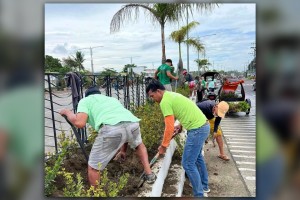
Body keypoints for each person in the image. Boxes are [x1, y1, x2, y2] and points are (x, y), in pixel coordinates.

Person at [59, 86, 156, 186]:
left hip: (111, 129)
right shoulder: (111, 99)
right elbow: (123, 125)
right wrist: (123, 150)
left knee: (93, 167)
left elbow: (79, 123)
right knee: (139, 145)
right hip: (133, 123)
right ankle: (149, 174)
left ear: (87, 95)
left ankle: (96, 194)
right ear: (99, 94)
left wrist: (67, 112)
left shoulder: (85, 101)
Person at [146, 80, 210, 197]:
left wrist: (163, 146)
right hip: (203, 126)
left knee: (187, 164)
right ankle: (204, 185)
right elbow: (186, 109)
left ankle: (199, 195)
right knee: (197, 158)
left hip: (197, 130)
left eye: (152, 96)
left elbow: (169, 127)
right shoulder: (172, 95)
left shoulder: (164, 101)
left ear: (158, 91)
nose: (152, 99)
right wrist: (180, 125)